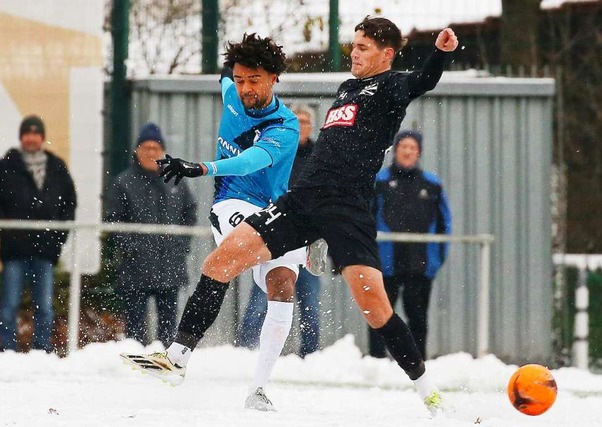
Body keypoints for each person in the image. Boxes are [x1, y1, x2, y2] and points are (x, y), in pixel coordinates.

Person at [122, 17, 458, 415]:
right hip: (303, 200)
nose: (354, 52)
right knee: (220, 260)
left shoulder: (393, 86)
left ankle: (429, 394)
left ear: (387, 54)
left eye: (363, 47)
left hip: (347, 208)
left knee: (375, 308)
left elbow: (425, 80)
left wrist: (440, 54)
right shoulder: (348, 87)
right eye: (354, 44)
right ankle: (177, 359)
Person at [121, 33, 327, 411]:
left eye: (255, 80)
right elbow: (224, 74)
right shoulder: (230, 91)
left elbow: (253, 160)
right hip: (232, 203)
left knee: (282, 285)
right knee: (223, 262)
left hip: (274, 208)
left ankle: (258, 390)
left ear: (274, 78)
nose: (246, 88)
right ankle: (178, 357)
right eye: (241, 79)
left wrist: (201, 167)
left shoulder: (285, 126)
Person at [0, 115, 77, 352]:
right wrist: (9, 233)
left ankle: (42, 351)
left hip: (45, 251)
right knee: (9, 305)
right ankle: (7, 351)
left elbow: (69, 204)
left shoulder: (56, 167)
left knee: (45, 306)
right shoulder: (6, 165)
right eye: (27, 133)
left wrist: (57, 238)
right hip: (14, 251)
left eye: (36, 133)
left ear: (42, 138)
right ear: (21, 137)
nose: (32, 138)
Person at [236, 105, 321, 357]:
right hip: (275, 235)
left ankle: (310, 357)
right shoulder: (278, 151)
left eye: (306, 121)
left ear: (312, 127)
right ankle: (244, 351)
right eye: (298, 121)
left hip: (307, 239)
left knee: (310, 304)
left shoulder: (320, 157)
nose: (302, 126)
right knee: (260, 300)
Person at [105, 122, 197, 347]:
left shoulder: (175, 179)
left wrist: (180, 247)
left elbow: (190, 213)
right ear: (137, 151)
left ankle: (165, 362)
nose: (151, 153)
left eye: (156, 148)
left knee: (168, 330)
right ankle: (134, 363)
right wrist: (132, 249)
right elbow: (113, 220)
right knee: (135, 330)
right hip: (135, 270)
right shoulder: (123, 183)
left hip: (170, 269)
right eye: (146, 148)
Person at [368, 130, 451, 360]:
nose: (408, 151)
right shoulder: (380, 181)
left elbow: (445, 223)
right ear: (396, 150)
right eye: (403, 146)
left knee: (418, 316)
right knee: (380, 314)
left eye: (412, 147)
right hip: (385, 264)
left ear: (419, 152)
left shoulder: (432, 184)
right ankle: (376, 362)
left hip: (420, 263)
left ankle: (417, 363)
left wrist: (436, 259)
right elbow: (366, 217)